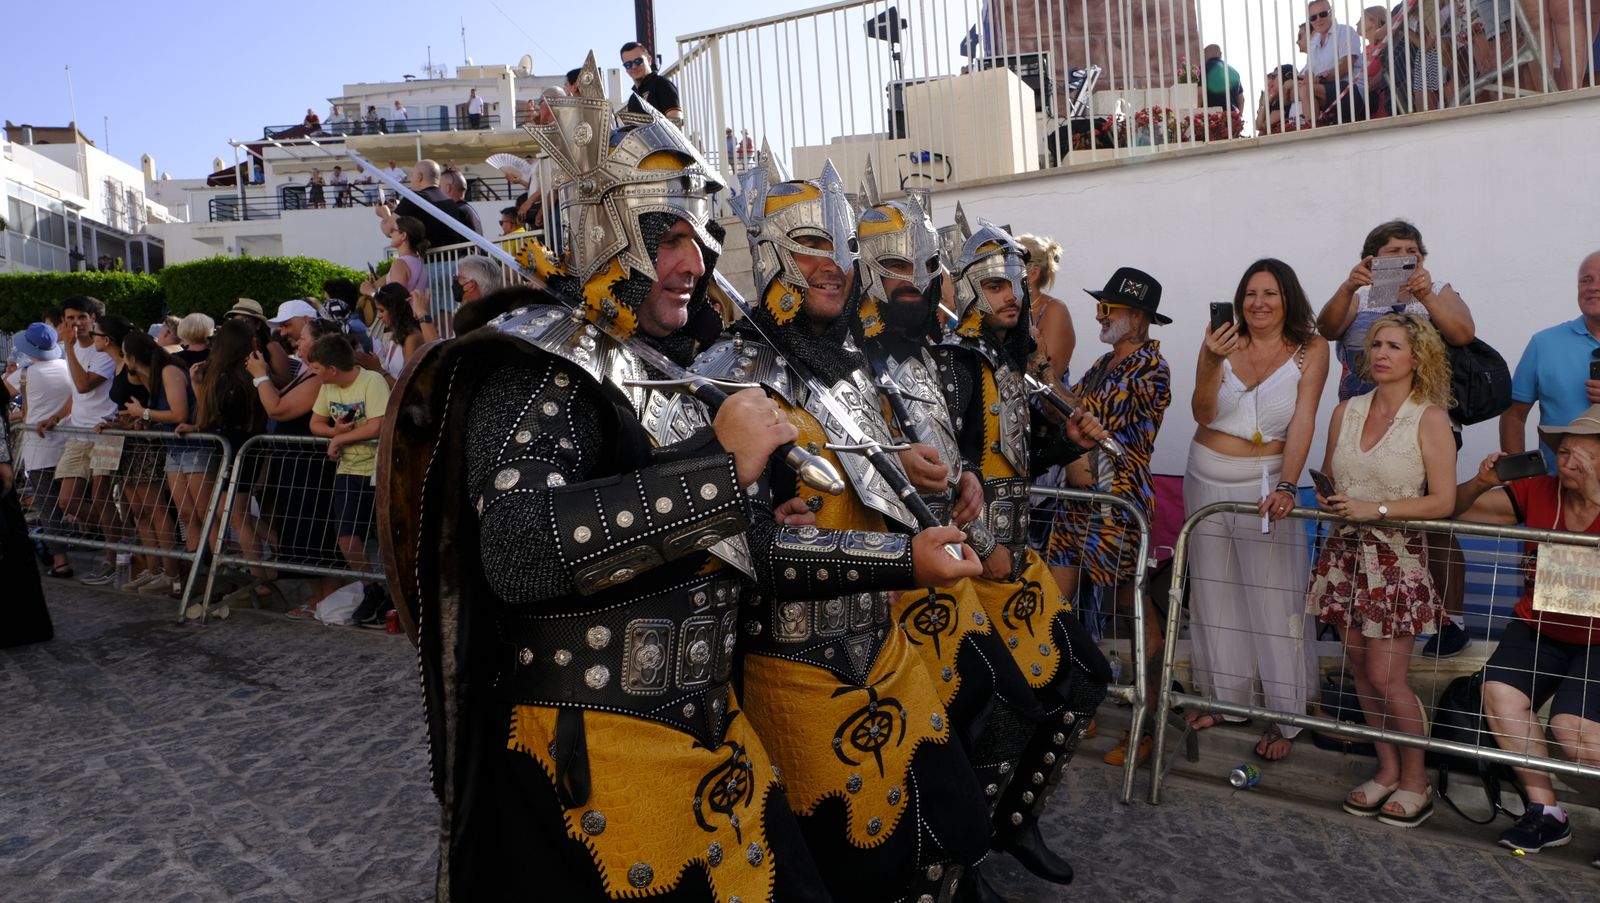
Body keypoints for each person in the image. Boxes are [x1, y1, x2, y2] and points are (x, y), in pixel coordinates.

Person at [394, 53, 832, 900]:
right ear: (600, 226)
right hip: (594, 746)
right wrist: (716, 471)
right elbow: (517, 547)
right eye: (668, 234)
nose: (694, 262)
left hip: (706, 722)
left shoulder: (665, 369)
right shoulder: (537, 365)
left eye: (698, 239)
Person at [712, 153, 988, 902]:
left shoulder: (850, 362)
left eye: (840, 247)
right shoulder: (726, 368)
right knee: (854, 863)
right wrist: (752, 514)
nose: (833, 263)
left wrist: (942, 477)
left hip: (883, 636)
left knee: (956, 817)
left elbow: (880, 471)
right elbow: (714, 523)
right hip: (793, 657)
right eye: (810, 245)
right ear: (770, 253)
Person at [935, 210, 1113, 889]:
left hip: (1017, 556)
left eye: (1016, 283)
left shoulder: (1010, 364)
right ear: (970, 291)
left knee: (1087, 675)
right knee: (991, 710)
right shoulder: (952, 364)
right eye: (995, 286)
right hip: (973, 568)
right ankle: (967, 852)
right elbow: (948, 472)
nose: (1012, 295)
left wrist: (1071, 438)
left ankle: (1016, 815)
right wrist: (983, 547)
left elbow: (1018, 454)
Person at [1307, 312, 1456, 828]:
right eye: (1375, 345)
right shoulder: (1346, 410)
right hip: (1345, 557)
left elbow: (1444, 501)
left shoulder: (1429, 417)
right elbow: (1332, 475)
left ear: (1419, 357)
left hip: (1396, 561)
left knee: (1386, 676)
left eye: (1393, 345)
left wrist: (1380, 510)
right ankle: (1388, 768)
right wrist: (1335, 502)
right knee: (1363, 675)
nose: (1381, 354)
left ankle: (1418, 780)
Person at [1183, 259, 1330, 761]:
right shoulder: (1219, 340)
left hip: (1265, 483)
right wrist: (1207, 359)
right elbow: (1202, 411)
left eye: (1270, 293)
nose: (1259, 303)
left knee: (1273, 598)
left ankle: (1286, 717)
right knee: (1214, 592)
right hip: (1204, 472)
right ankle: (1228, 701)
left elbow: (1304, 420)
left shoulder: (1312, 349)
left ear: (1288, 296)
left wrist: (1289, 486)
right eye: (1250, 293)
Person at [1316, 218, 1476, 658]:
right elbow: (1326, 329)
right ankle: (1348, 609)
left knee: (1434, 522)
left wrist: (1423, 293)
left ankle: (1451, 620)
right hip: (1359, 422)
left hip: (1420, 424)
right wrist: (1349, 287)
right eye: (1395, 252)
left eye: (1414, 252)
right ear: (1372, 258)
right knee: (1349, 514)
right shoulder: (1359, 294)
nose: (1407, 259)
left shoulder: (1437, 290)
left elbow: (1463, 333)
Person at [1454, 406, 1600, 857]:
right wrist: (1481, 480)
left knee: (1573, 730)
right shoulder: (1539, 490)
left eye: (1581, 455)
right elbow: (1457, 509)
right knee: (1498, 691)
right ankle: (1546, 813)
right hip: (1541, 623)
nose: (1566, 462)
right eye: (1565, 451)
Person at [1048, 266, 1172, 766]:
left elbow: (1094, 420)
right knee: (1056, 603)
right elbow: (1076, 410)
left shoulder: (1151, 369)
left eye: (1110, 308)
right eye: (1101, 306)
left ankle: (1148, 721)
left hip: (1118, 505)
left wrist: (1050, 387)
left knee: (1131, 608)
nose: (1100, 315)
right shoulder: (1102, 362)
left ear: (1138, 317)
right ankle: (1080, 702)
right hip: (1079, 504)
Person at [248, 316, 346, 616]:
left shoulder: (318, 379)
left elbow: (278, 407)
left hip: (311, 465)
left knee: (315, 530)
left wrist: (260, 375)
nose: (297, 342)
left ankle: (329, 597)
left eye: (303, 338)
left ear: (319, 342)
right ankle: (317, 597)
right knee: (300, 530)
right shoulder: (306, 371)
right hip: (295, 463)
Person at [303, 334, 387, 622]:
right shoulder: (328, 387)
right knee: (347, 537)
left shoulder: (372, 382)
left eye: (315, 369)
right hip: (348, 471)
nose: (313, 374)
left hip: (377, 470)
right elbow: (316, 423)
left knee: (386, 536)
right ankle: (371, 588)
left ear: (332, 369)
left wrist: (340, 438)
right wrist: (335, 434)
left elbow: (378, 425)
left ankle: (400, 592)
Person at [1501, 250, 1600, 471]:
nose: (1593, 286)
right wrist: (1521, 480)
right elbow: (1513, 415)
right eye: (1586, 280)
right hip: (1558, 489)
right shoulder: (1544, 343)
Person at [46, 295, 120, 586]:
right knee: (68, 500)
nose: (75, 324)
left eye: (81, 318)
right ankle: (120, 534)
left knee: (102, 498)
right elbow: (76, 397)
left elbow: (84, 385)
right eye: (70, 319)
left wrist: (67, 348)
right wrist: (56, 417)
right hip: (78, 433)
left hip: (106, 434)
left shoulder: (103, 350)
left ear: (93, 319)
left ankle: (111, 558)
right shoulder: (74, 349)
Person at [11, 323, 74, 578]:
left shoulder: (25, 373)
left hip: (39, 447)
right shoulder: (68, 367)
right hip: (69, 442)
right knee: (73, 502)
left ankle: (61, 561)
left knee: (49, 508)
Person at [1304, 0, 1365, 110]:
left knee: (1305, 90)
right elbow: (1308, 73)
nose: (1318, 20)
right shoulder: (1313, 43)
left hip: (1350, 88)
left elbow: (1346, 65)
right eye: (1313, 18)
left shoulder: (1344, 31)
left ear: (1331, 13)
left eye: (1322, 14)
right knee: (1295, 90)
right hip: (1325, 89)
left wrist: (1320, 80)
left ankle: (1315, 125)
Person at [371, 284, 424, 378]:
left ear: (395, 310)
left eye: (382, 311)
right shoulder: (397, 336)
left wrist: (379, 370)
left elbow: (406, 386)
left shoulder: (412, 338)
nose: (379, 316)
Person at [621, 41, 681, 120]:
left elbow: (676, 121)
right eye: (628, 64)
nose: (634, 66)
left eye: (638, 61)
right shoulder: (633, 100)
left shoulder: (662, 84)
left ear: (649, 60)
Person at [439, 168, 482, 234]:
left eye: (439, 187)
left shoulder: (457, 212)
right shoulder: (469, 210)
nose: (438, 191)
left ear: (448, 188)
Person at [1204, 43, 1244, 112]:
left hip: (1212, 116)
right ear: (1220, 54)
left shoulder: (1204, 69)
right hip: (1232, 116)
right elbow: (1241, 99)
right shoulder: (1234, 72)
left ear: (1204, 55)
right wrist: (1239, 116)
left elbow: (1200, 93)